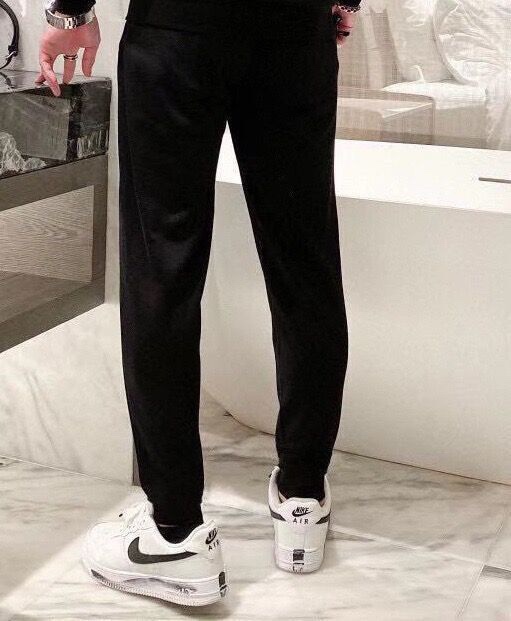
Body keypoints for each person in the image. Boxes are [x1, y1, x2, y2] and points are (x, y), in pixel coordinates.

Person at [38, 0, 359, 607]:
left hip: (176, 29)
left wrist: (70, 14)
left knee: (162, 269)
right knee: (305, 265)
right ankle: (302, 496)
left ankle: (174, 532)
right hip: (296, 31)